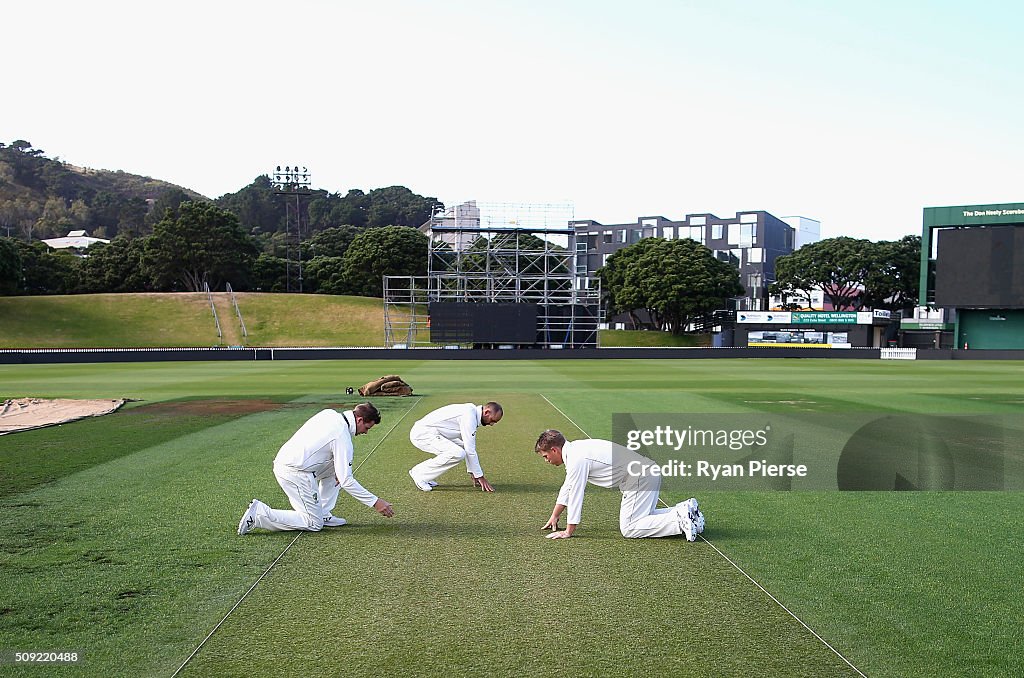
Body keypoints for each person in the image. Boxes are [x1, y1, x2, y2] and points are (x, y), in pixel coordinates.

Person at [238, 403, 394, 534]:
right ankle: (260, 514)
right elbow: (346, 481)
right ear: (359, 420)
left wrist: (339, 470)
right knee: (313, 523)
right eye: (367, 427)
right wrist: (375, 502)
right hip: (294, 472)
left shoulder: (330, 414)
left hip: (291, 462)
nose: (366, 432)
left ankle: (323, 512)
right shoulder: (342, 437)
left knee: (338, 468)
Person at [534, 429, 705, 540]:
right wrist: (555, 515)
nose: (546, 460)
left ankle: (679, 521)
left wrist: (569, 531)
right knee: (646, 516)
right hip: (648, 471)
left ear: (554, 450)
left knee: (630, 528)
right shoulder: (575, 450)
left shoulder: (576, 458)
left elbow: (576, 494)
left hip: (639, 477)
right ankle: (685, 510)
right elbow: (568, 487)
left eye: (545, 456)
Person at [408, 401, 503, 492]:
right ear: (486, 412)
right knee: (457, 453)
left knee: (461, 448)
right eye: (492, 420)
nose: (491, 424)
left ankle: (422, 473)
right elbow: (471, 450)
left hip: (434, 432)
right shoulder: (469, 416)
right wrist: (479, 476)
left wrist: (473, 472)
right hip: (422, 434)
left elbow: (467, 447)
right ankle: (420, 475)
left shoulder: (471, 412)